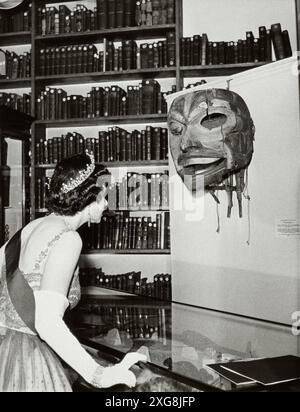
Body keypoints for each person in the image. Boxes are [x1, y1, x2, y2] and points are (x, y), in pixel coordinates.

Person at [0, 151, 146, 392]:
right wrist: (98, 374)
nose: (107, 203)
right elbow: (47, 321)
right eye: (104, 195)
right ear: (89, 195)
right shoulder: (69, 238)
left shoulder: (32, 227)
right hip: (24, 358)